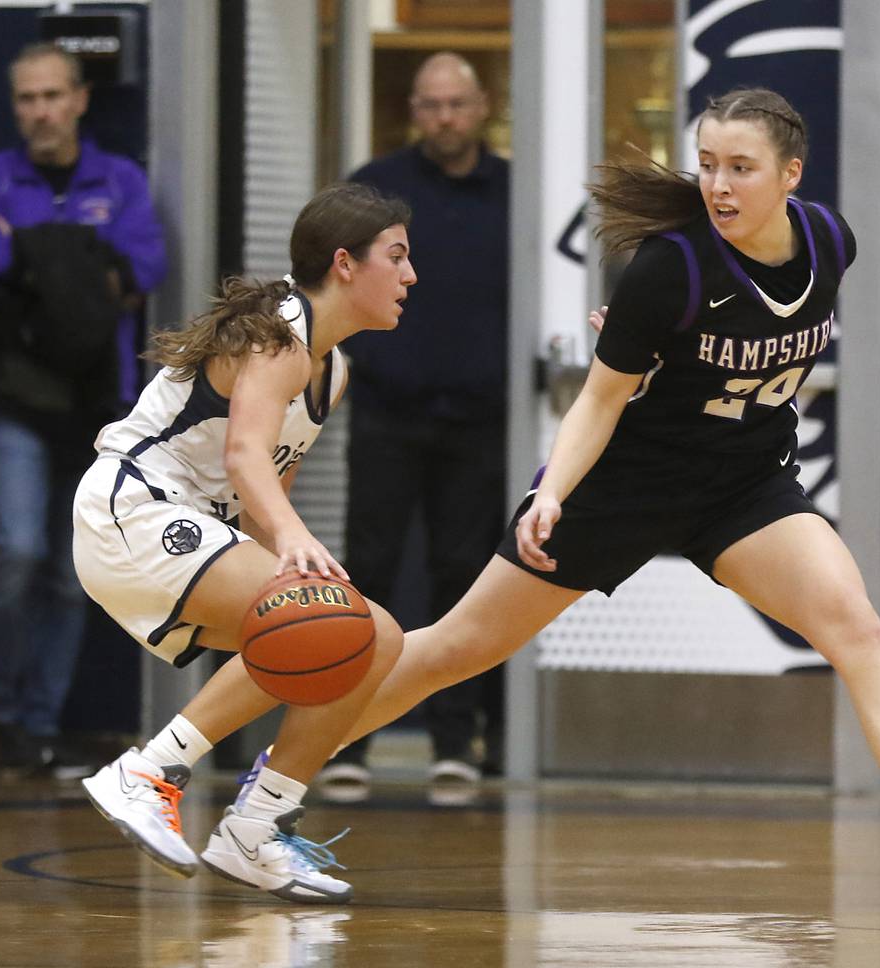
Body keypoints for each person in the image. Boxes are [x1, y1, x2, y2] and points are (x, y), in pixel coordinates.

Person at [299, 87, 880, 900]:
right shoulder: (670, 268)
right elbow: (600, 399)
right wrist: (552, 492)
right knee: (451, 650)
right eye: (709, 165)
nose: (719, 185)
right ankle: (275, 783)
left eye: (741, 169)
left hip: (742, 485)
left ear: (791, 174)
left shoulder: (831, 241)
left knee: (857, 626)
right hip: (624, 487)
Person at [73, 183, 412, 903]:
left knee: (371, 636)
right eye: (399, 256)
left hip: (187, 522)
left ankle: (255, 828)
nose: (411, 276)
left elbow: (263, 494)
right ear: (346, 265)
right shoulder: (278, 334)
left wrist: (304, 557)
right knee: (319, 621)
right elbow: (243, 457)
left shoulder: (334, 367)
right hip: (132, 507)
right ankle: (148, 772)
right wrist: (298, 546)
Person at [0, 43, 167, 776]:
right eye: (27, 98)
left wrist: (29, 253)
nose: (41, 111)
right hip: (15, 395)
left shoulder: (120, 179)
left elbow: (146, 266)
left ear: (80, 98)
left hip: (97, 401)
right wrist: (87, 262)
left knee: (70, 568)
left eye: (53, 95)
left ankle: (41, 724)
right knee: (16, 551)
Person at [323, 51, 509, 804]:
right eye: (430, 105)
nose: (444, 118)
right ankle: (344, 738)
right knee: (365, 572)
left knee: (462, 578)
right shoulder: (376, 189)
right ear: (413, 112)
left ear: (482, 105)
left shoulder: (516, 191)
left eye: (456, 104)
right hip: (388, 413)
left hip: (480, 418)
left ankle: (454, 744)